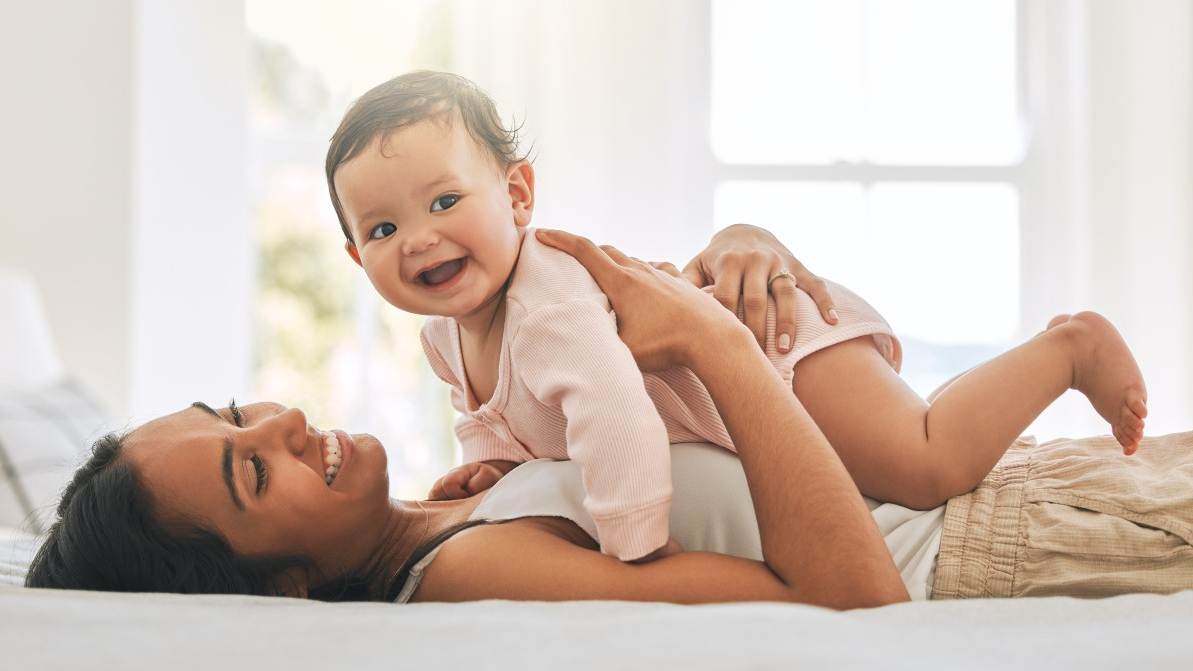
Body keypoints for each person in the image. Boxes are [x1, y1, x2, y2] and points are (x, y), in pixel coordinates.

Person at [25, 229, 1193, 605]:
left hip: (1035, 482)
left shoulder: (446, 499)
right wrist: (718, 341)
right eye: (247, 469)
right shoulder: (470, 574)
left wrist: (744, 264)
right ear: (275, 594)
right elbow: (849, 605)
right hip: (994, 550)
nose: (281, 420)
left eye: (237, 408)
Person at [325, 71, 1148, 561]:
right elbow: (498, 418)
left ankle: (1067, 349)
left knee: (926, 461)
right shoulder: (445, 337)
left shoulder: (546, 304)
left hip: (775, 347)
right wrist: (496, 472)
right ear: (360, 258)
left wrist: (635, 544)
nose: (420, 238)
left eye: (444, 200)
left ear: (516, 197)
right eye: (385, 228)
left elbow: (616, 422)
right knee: (883, 488)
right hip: (746, 394)